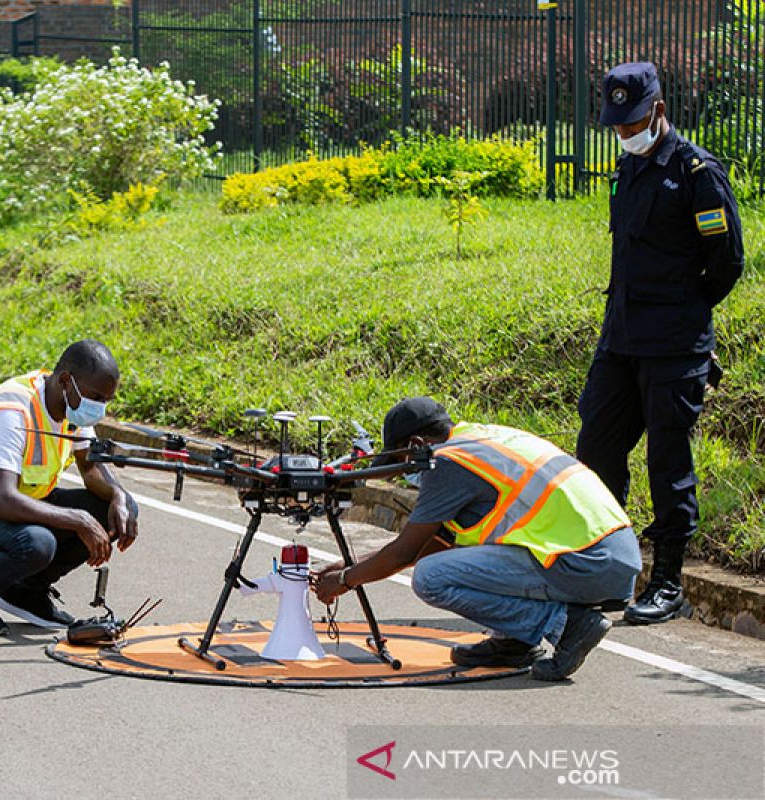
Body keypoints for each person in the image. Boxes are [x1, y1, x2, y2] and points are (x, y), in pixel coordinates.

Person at [576, 62, 744, 625]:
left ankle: (669, 581)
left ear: (659, 111)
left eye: (634, 123)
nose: (626, 134)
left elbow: (727, 263)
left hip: (673, 347)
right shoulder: (626, 173)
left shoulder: (698, 174)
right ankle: (609, 566)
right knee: (596, 450)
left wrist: (684, 314)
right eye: (618, 127)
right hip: (620, 341)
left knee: (668, 465)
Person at [312, 397, 642, 681]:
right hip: (609, 554)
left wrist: (345, 580)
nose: (404, 472)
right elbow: (438, 541)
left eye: (400, 461)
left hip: (585, 561)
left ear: (415, 445)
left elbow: (406, 553)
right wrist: (355, 566)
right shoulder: (477, 440)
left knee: (431, 578)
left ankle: (566, 625)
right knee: (450, 562)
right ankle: (515, 641)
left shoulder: (446, 464)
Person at [0, 339, 139, 636]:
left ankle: (25, 592)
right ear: (66, 381)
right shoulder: (11, 411)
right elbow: (3, 501)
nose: (99, 408)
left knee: (113, 509)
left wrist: (119, 496)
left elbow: (90, 468)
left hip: (13, 512)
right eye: (95, 397)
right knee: (38, 543)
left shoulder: (70, 407)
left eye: (106, 401)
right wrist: (80, 521)